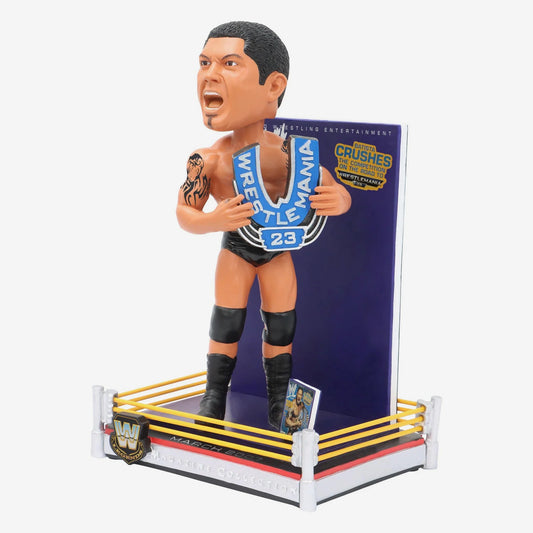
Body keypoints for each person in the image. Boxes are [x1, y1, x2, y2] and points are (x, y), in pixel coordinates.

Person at [176, 21, 351, 429]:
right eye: (203, 62)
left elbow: (331, 185)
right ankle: (214, 397)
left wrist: (339, 199)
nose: (210, 74)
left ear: (273, 86)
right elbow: (185, 212)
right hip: (236, 250)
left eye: (229, 63)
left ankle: (279, 401)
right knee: (226, 321)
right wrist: (213, 220)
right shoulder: (207, 159)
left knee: (282, 324)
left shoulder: (289, 154)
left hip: (278, 250)